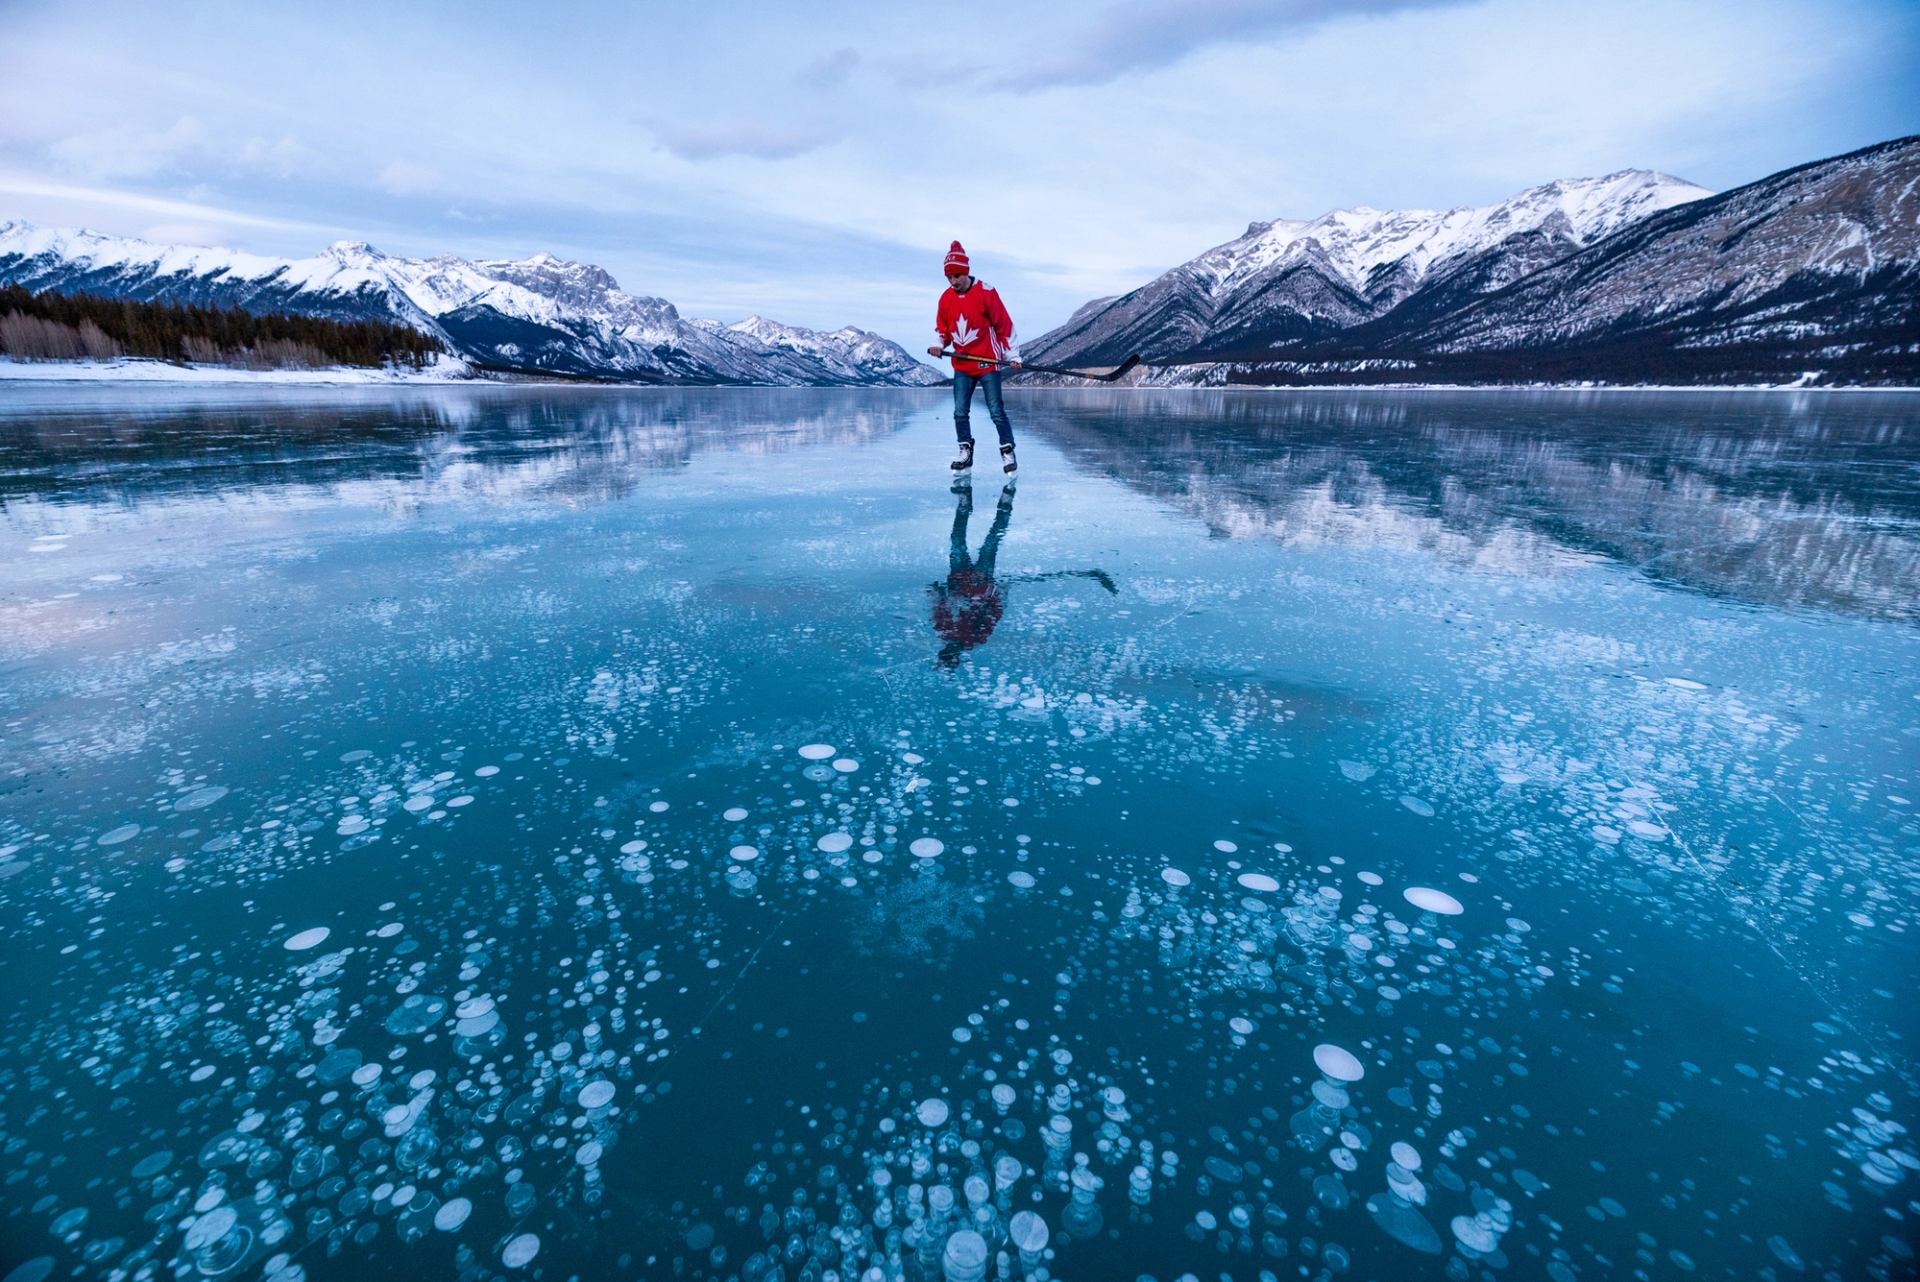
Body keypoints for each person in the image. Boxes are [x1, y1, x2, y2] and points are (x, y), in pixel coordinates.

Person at [927, 241, 1019, 477]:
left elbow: (1004, 325)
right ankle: (965, 450)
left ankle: (1007, 450)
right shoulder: (945, 299)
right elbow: (942, 330)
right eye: (949, 277)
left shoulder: (986, 292)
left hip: (988, 362)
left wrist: (1013, 355)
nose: (953, 281)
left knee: (996, 410)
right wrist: (938, 345)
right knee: (959, 411)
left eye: (957, 275)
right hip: (962, 365)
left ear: (966, 271)